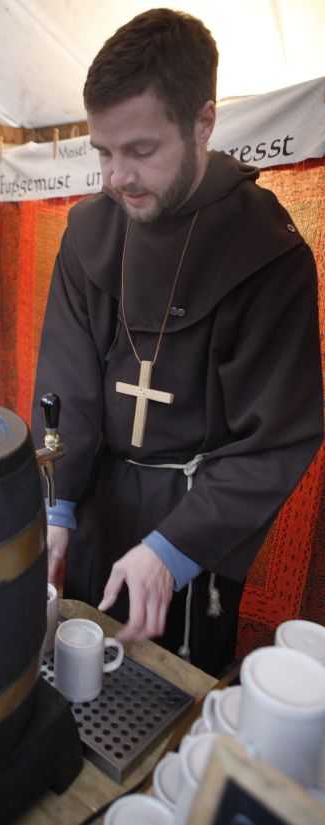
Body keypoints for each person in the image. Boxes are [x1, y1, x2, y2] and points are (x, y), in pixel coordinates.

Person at [31, 8, 323, 676]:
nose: (117, 177)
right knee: (83, 663)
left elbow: (275, 437)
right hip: (100, 499)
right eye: (103, 152)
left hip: (200, 518)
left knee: (175, 689)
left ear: (203, 123)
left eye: (141, 150)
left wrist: (173, 549)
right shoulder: (89, 234)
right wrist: (58, 505)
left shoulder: (268, 256)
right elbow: (67, 381)